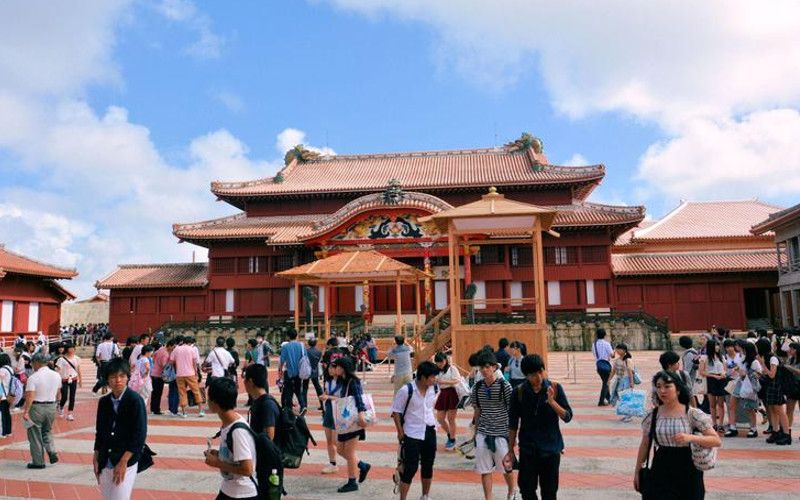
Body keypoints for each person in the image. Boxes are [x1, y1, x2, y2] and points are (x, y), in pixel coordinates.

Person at [633, 371, 721, 499]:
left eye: (667, 386)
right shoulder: (652, 416)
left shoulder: (692, 414)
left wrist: (691, 437)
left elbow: (716, 440)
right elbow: (645, 444)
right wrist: (637, 471)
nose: (662, 391)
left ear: (678, 389)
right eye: (658, 386)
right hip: (661, 466)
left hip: (688, 468)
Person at [507, 354, 573, 500]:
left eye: (539, 372)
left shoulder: (555, 388)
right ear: (526, 375)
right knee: (526, 490)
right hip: (528, 450)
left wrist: (552, 402)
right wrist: (510, 449)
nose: (537, 377)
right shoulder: (518, 392)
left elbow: (567, 416)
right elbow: (512, 424)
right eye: (532, 374)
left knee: (549, 493)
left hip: (551, 449)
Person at [93, 358, 148, 499]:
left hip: (126, 459)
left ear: (127, 378)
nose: (118, 380)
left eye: (122, 376)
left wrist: (124, 461)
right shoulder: (104, 402)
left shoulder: (135, 400)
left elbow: (139, 434)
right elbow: (100, 431)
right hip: (106, 458)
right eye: (113, 377)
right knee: (107, 497)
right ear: (107, 380)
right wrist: (96, 455)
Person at [390, 361, 440, 500]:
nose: (435, 379)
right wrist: (400, 433)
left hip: (430, 430)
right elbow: (396, 412)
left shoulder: (434, 389)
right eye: (432, 377)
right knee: (410, 468)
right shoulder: (406, 390)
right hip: (411, 433)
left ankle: (425, 496)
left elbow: (429, 408)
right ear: (423, 377)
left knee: (428, 465)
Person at [471, 351, 516, 500]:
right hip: (483, 432)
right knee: (485, 470)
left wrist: (513, 436)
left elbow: (513, 411)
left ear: (495, 367)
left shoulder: (505, 386)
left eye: (487, 366)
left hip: (502, 433)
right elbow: (477, 411)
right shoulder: (477, 388)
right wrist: (476, 433)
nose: (484, 370)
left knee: (506, 468)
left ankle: (512, 492)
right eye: (481, 367)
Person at [204, 376, 259, 500]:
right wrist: (219, 454)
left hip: (242, 493)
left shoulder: (237, 431)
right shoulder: (229, 422)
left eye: (209, 398)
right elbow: (235, 455)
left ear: (215, 403)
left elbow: (247, 469)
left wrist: (217, 463)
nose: (207, 402)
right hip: (229, 489)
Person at [327, 356, 371, 493]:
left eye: (338, 366)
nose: (335, 369)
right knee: (340, 449)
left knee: (349, 452)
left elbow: (358, 399)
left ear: (344, 368)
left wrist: (361, 415)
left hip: (354, 421)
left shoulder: (353, 381)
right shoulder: (342, 380)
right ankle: (362, 466)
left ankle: (352, 481)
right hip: (345, 421)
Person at [22, 353, 62, 469]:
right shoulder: (56, 375)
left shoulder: (33, 377)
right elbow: (59, 393)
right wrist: (57, 406)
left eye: (33, 363)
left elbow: (30, 396)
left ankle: (38, 462)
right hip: (51, 406)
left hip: (36, 407)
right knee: (47, 431)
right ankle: (52, 451)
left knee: (35, 435)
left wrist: (26, 412)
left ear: (37, 363)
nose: (32, 365)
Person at [756, 338, 792, 445]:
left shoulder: (773, 358)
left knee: (779, 410)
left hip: (776, 387)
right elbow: (766, 374)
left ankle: (786, 434)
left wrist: (762, 364)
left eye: (757, 347)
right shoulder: (766, 357)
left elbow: (772, 374)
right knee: (772, 410)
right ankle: (775, 432)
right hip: (770, 386)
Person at [725, 341, 761, 438]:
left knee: (750, 408)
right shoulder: (743, 359)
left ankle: (753, 428)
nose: (741, 350)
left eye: (743, 349)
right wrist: (737, 370)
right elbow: (741, 371)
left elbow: (758, 374)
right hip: (739, 383)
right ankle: (732, 427)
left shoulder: (754, 362)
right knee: (732, 405)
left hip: (748, 386)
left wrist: (746, 374)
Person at [170, 336, 205, 418]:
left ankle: (184, 412)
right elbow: (194, 362)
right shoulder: (191, 349)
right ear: (190, 343)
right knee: (196, 391)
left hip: (179, 374)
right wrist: (196, 373)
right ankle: (200, 410)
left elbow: (171, 361)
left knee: (182, 393)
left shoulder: (176, 349)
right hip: (190, 373)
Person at [243, 364, 280, 440]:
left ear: (250, 381)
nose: (244, 382)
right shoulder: (259, 401)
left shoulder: (267, 405)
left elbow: (269, 439)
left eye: (245, 378)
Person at [433, 352, 461, 450]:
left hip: (452, 393)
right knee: (440, 418)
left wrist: (443, 382)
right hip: (443, 393)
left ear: (446, 360)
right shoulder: (436, 371)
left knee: (451, 418)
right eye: (438, 362)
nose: (440, 364)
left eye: (441, 361)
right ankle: (450, 434)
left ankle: (452, 439)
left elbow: (457, 380)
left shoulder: (452, 368)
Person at [700, 340, 727, 432]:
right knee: (712, 404)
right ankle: (714, 423)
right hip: (710, 380)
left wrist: (723, 374)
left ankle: (721, 424)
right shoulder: (704, 357)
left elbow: (725, 369)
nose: (718, 347)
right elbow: (702, 372)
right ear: (711, 347)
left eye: (718, 345)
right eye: (716, 345)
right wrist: (714, 376)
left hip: (721, 380)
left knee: (721, 404)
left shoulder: (721, 357)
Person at [279, 330, 307, 414]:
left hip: (289, 372)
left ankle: (288, 409)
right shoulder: (302, 345)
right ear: (296, 336)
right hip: (299, 372)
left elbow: (282, 360)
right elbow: (305, 357)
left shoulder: (285, 347)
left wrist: (280, 371)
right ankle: (303, 406)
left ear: (288, 336)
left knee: (288, 391)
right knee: (298, 390)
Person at [55, 342, 82, 421]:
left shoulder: (77, 358)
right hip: (64, 380)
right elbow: (57, 370)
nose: (72, 350)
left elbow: (79, 370)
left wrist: (80, 380)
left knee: (72, 397)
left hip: (73, 379)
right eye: (70, 348)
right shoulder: (61, 359)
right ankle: (61, 406)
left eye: (73, 348)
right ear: (67, 349)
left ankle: (70, 413)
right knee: (65, 396)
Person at [609, 343, 636, 420]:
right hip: (619, 380)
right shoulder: (617, 360)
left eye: (619, 349)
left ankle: (629, 416)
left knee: (626, 398)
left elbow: (630, 372)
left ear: (624, 350)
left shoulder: (628, 360)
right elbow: (613, 371)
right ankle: (626, 415)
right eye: (617, 349)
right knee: (621, 398)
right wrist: (609, 380)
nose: (617, 350)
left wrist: (631, 383)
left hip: (626, 380)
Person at [592, 328, 614, 406]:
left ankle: (609, 398)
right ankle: (601, 400)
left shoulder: (594, 344)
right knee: (606, 383)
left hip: (599, 365)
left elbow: (594, 355)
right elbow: (612, 355)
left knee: (605, 382)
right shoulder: (607, 344)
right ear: (604, 335)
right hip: (606, 365)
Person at [150, 340, 171, 415]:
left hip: (154, 373)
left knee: (154, 392)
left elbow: (153, 359)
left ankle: (153, 408)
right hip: (159, 375)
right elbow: (164, 365)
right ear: (169, 346)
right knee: (158, 393)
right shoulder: (165, 353)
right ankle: (156, 410)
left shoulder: (159, 350)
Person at [303, 338, 323, 411]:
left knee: (304, 388)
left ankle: (304, 405)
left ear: (308, 343)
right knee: (318, 388)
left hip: (307, 371)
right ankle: (322, 404)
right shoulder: (319, 352)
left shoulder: (306, 351)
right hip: (315, 370)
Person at [785, 342, 800, 433]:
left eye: (791, 349)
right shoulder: (790, 359)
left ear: (796, 350)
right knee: (789, 409)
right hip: (792, 385)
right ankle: (787, 431)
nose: (789, 351)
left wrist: (790, 368)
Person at [0, 353, 15, 438]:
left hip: (2, 395)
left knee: (2, 414)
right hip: (9, 395)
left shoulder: (2, 370)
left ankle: (3, 433)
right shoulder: (10, 368)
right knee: (7, 413)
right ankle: (8, 431)